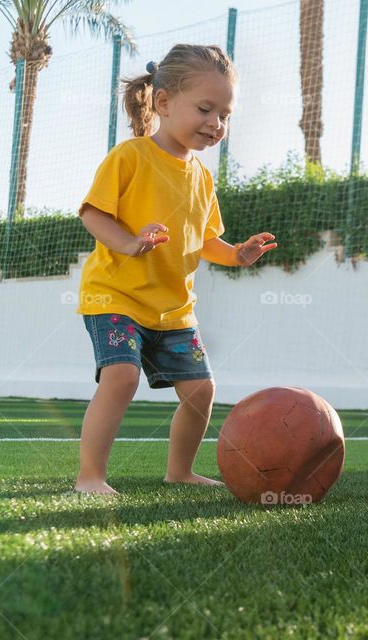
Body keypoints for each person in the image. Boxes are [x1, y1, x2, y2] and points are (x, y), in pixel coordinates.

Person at [73, 44, 277, 495]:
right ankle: (90, 477)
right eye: (205, 109)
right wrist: (129, 243)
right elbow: (92, 213)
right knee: (121, 377)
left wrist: (236, 254)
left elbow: (205, 242)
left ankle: (180, 471)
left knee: (201, 391)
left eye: (225, 115)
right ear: (163, 103)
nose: (216, 123)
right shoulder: (130, 157)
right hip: (115, 297)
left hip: (173, 310)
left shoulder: (202, 178)